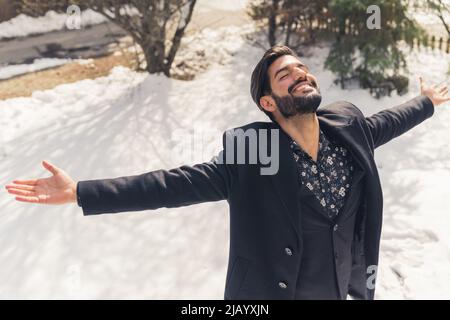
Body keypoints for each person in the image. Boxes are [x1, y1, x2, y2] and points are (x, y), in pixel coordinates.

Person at [5, 46, 449, 300]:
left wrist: (426, 102)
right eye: (283, 74)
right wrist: (82, 192)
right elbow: (173, 183)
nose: (298, 72)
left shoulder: (347, 126)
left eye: (300, 67)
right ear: (269, 104)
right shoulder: (255, 151)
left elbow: (384, 124)